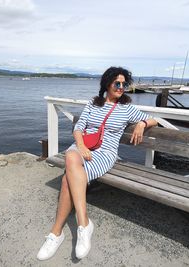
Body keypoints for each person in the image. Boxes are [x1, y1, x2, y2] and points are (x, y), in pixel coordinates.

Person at [37, 66, 158, 261]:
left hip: (105, 154)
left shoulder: (126, 108)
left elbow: (154, 120)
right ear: (107, 83)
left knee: (68, 179)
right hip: (83, 147)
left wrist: (142, 124)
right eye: (117, 83)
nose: (120, 87)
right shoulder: (94, 103)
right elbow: (78, 128)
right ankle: (84, 224)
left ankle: (56, 233)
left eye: (124, 84)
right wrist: (81, 146)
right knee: (71, 157)